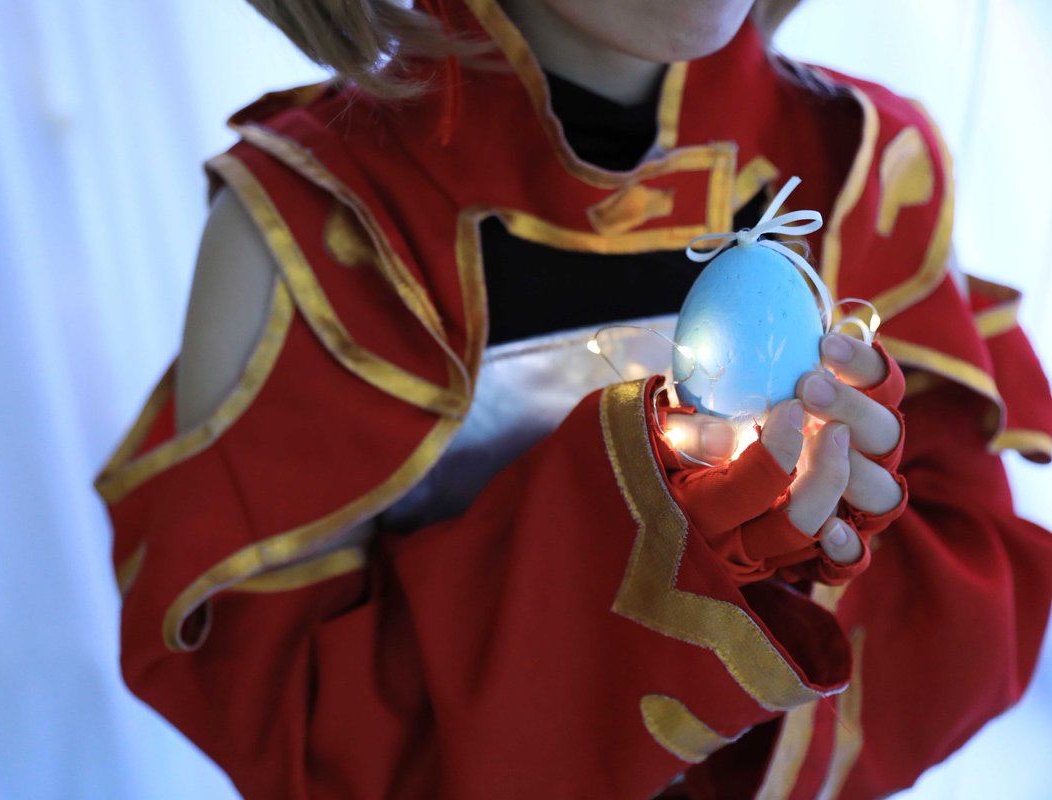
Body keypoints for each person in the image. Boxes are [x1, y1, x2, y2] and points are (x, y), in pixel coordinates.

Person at [93, 0, 1052, 796]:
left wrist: (812, 572)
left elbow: (964, 627)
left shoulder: (865, 168)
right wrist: (649, 535)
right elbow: (309, 741)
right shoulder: (315, 225)